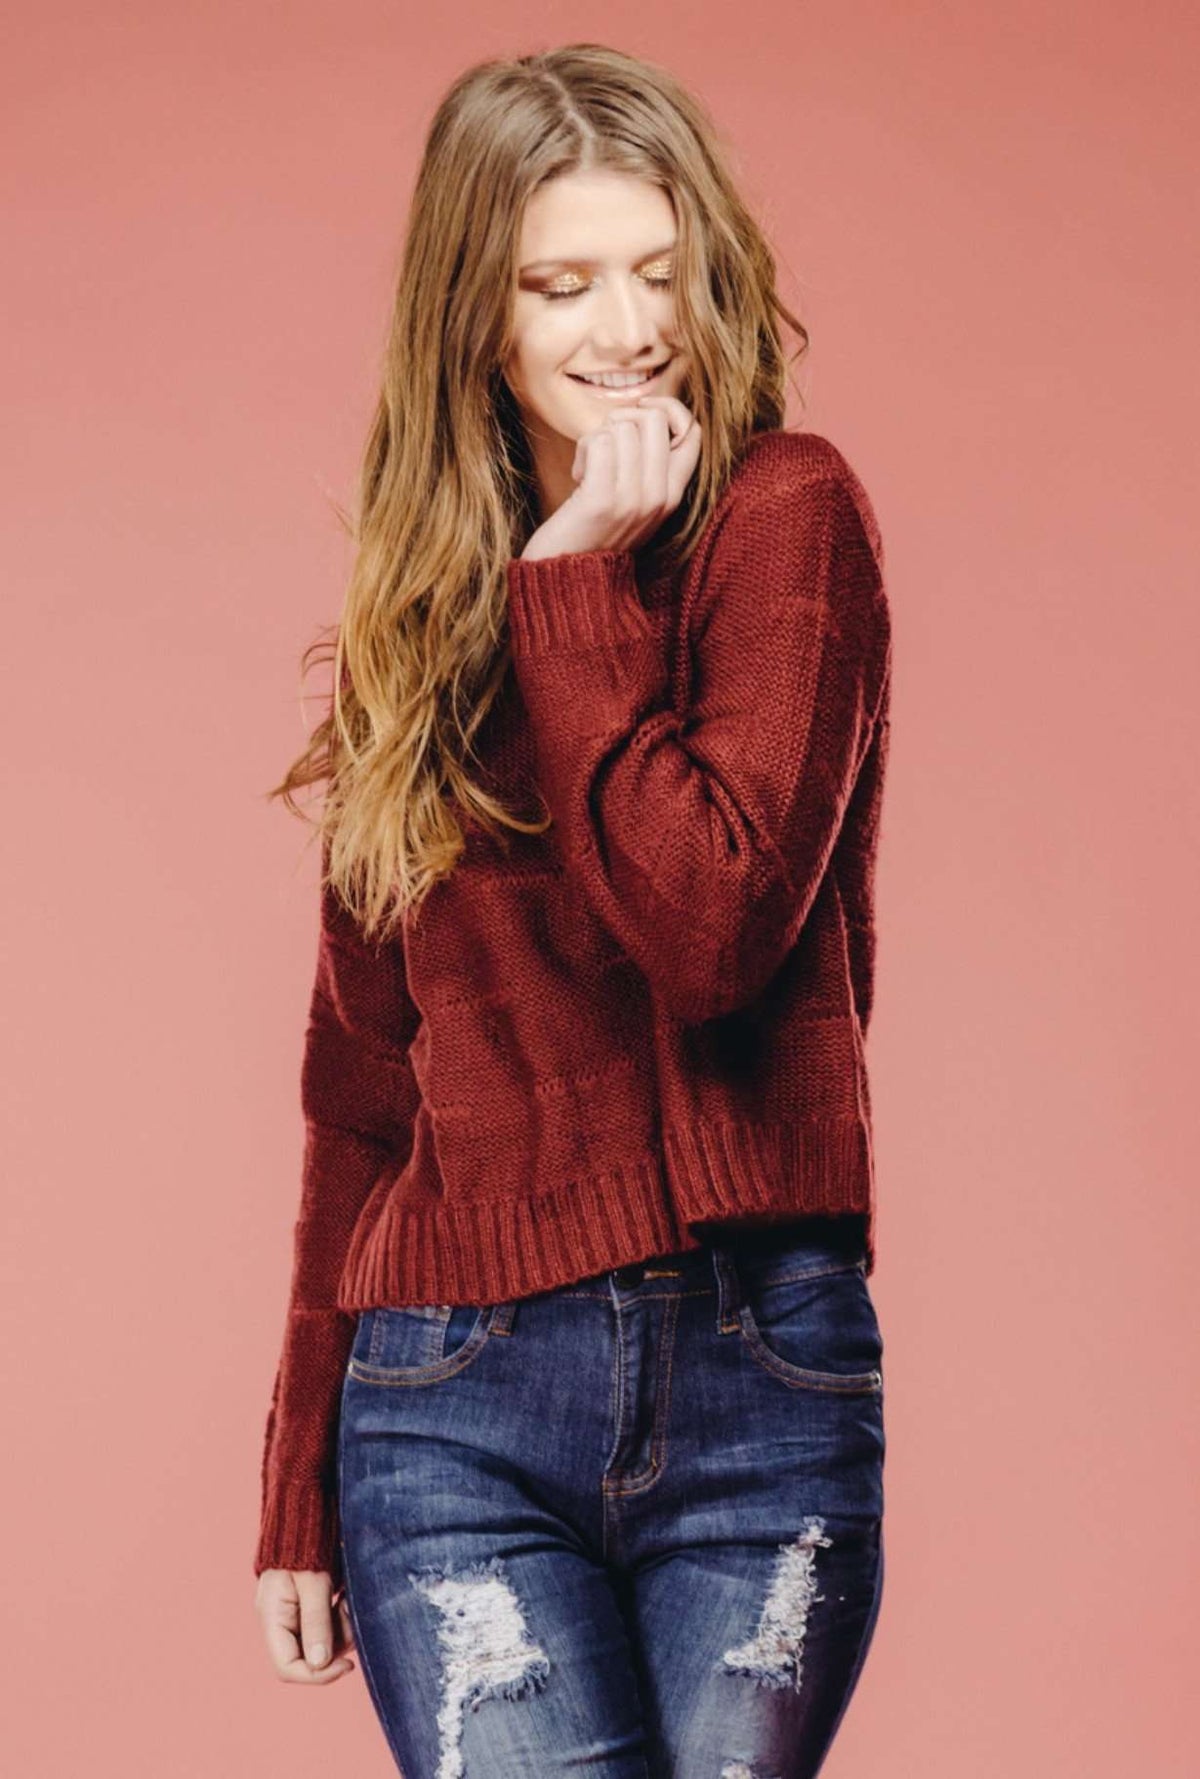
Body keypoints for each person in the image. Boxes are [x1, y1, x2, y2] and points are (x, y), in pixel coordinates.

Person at [253, 40, 893, 1779]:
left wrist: (576, 587)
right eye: (562, 285)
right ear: (476, 314)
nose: (627, 329)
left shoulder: (788, 522)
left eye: (659, 272)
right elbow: (360, 1085)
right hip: (449, 1403)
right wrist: (298, 1467)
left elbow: (711, 930)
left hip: (761, 1381)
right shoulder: (414, 627)